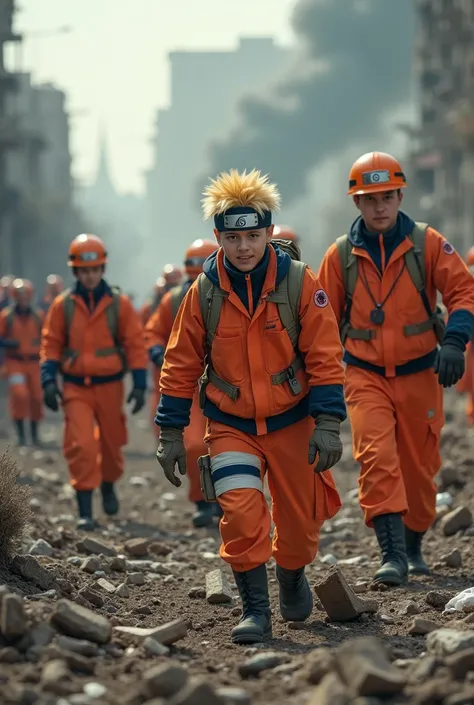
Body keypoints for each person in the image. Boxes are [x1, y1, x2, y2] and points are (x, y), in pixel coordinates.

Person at [155, 169, 345, 644]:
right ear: (218, 237)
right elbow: (179, 363)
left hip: (292, 422)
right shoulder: (202, 293)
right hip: (230, 424)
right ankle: (255, 610)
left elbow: (325, 354)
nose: (244, 247)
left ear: (269, 235)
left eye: (254, 236)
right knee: (240, 511)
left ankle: (292, 573)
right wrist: (171, 432)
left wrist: (327, 422)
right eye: (233, 237)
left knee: (299, 526)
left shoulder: (301, 282)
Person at [318, 151, 474, 586]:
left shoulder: (427, 244)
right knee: (376, 456)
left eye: (387, 196)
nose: (380, 206)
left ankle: (413, 544)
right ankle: (391, 556)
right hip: (363, 373)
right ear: (357, 204)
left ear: (401, 194)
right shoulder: (340, 255)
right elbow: (320, 322)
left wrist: (455, 342)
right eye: (370, 199)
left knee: (420, 472)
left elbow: (464, 291)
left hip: (422, 372)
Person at [40, 233, 148, 530]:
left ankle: (109, 484)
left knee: (112, 447)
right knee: (82, 445)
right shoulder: (62, 306)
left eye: (94, 270)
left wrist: (139, 383)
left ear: (102, 269)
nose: (89, 276)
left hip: (111, 386)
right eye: (84, 271)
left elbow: (135, 344)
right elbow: (50, 344)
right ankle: (85, 509)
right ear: (76, 271)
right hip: (75, 386)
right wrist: (48, 380)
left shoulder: (119, 304)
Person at [145, 238, 221, 527]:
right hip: (190, 387)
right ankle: (202, 502)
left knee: (228, 447)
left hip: (225, 384)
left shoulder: (230, 293)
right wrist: (155, 350)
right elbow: (152, 331)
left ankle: (227, 502)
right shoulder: (174, 300)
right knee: (193, 446)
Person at [0, 279, 44, 446]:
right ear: (14, 296)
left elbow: (48, 336)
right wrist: (8, 343)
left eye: (25, 295)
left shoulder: (38, 316)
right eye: (19, 296)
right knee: (19, 395)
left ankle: (34, 434)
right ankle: (21, 436)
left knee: (37, 397)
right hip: (15, 362)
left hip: (34, 362)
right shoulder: (6, 316)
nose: (23, 299)